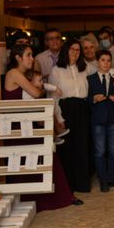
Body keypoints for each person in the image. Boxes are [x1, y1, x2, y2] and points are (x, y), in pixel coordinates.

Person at [3, 44, 81, 209]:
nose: (32, 58)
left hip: (29, 123)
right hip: (19, 126)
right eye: (28, 55)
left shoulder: (25, 74)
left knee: (47, 158)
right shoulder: (14, 73)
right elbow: (36, 93)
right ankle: (37, 200)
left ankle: (56, 197)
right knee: (27, 163)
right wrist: (43, 87)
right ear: (18, 58)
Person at [49, 39, 92, 193]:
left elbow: (102, 69)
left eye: (78, 50)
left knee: (82, 146)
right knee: (67, 148)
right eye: (72, 49)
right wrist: (58, 119)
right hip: (65, 108)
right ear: (66, 51)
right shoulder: (57, 70)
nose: (75, 52)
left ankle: (82, 184)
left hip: (83, 108)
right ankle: (69, 186)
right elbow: (53, 97)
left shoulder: (85, 67)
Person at [87, 50, 114, 192]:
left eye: (108, 60)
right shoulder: (90, 79)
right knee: (99, 152)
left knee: (113, 151)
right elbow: (86, 99)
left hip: (113, 119)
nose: (106, 63)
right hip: (98, 120)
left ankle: (113, 178)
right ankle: (103, 180)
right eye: (103, 60)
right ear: (98, 62)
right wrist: (93, 98)